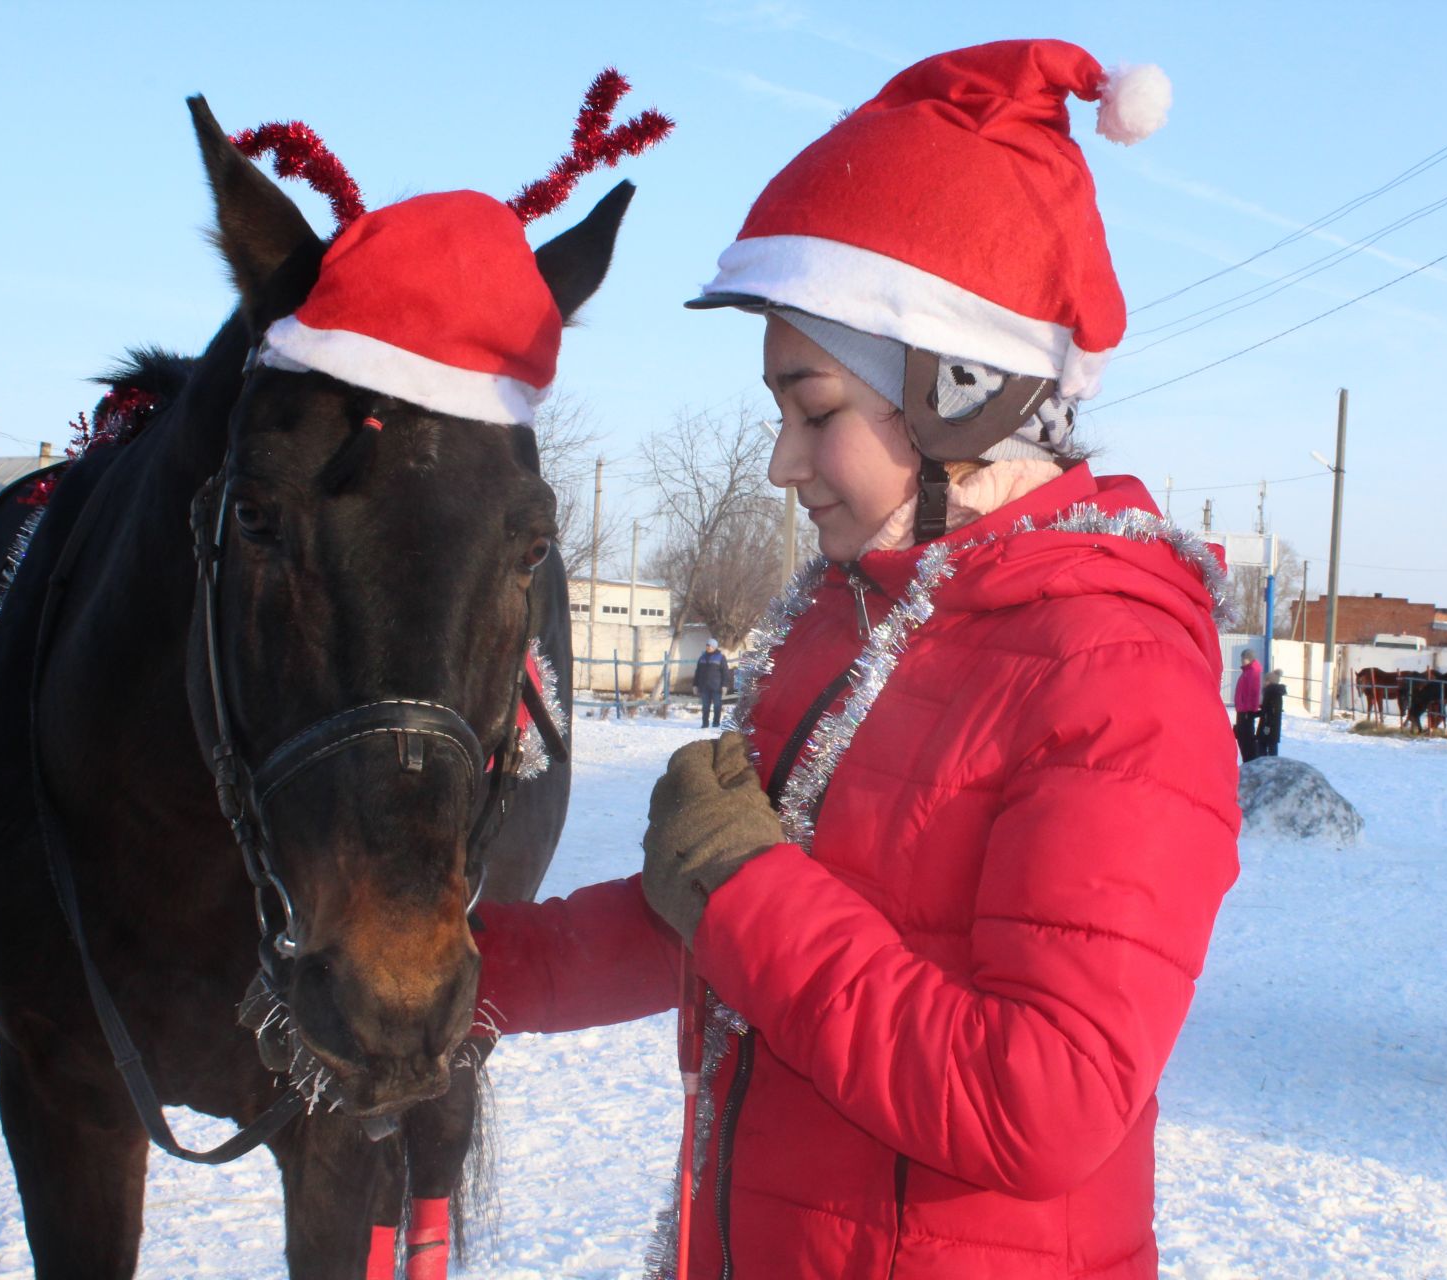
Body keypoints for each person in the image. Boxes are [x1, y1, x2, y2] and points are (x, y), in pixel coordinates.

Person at [470, 41, 1239, 1278]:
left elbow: (1039, 1104)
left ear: (960, 390)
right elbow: (708, 918)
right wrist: (457, 973)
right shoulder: (851, 622)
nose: (781, 462)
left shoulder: (1114, 671)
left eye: (813, 407)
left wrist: (743, 884)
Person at [1233, 648, 1262, 761]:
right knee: (1241, 736)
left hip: (1245, 711)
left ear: (1249, 659)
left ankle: (1249, 761)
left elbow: (1253, 692)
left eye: (1243, 658)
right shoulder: (1247, 671)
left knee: (1246, 738)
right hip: (1242, 709)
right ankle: (1247, 760)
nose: (1241, 660)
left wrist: (1249, 709)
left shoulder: (1252, 672)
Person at [693, 638, 728, 728]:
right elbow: (697, 672)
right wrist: (695, 685)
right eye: (707, 645)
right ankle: (705, 724)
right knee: (705, 707)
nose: (708, 647)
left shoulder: (720, 657)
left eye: (710, 646)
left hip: (716, 686)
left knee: (717, 706)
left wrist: (724, 685)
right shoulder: (702, 657)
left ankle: (716, 723)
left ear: (714, 647)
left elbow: (725, 672)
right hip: (704, 686)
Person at [1257, 666, 1286, 757]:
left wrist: (1268, 726)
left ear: (1270, 681)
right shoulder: (1271, 692)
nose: (1264, 682)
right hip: (1269, 726)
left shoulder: (1272, 693)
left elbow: (1272, 711)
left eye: (1266, 680)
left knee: (1267, 747)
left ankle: (1267, 765)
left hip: (1269, 727)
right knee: (1266, 746)